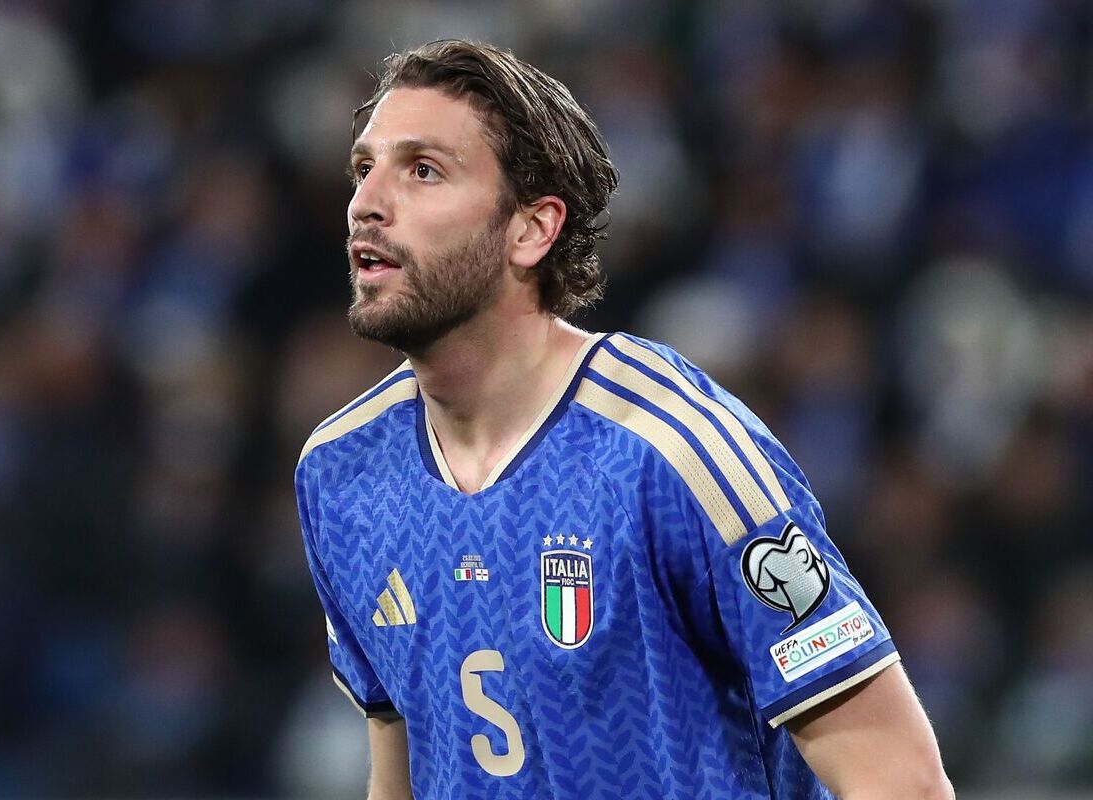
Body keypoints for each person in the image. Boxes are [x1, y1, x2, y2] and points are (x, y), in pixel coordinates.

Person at [295, 39, 953, 800]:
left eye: (423, 170)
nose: (367, 202)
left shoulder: (671, 450)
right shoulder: (340, 473)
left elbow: (902, 781)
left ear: (531, 230)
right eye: (364, 168)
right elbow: (401, 770)